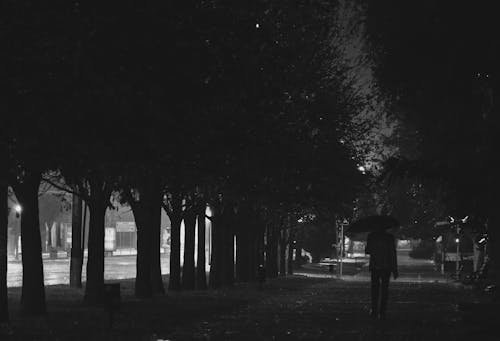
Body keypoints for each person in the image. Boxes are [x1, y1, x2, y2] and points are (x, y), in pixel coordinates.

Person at [365, 227, 398, 320]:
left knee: (374, 289)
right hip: (386, 266)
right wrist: (394, 269)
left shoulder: (371, 236)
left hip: (375, 266)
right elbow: (392, 253)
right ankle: (382, 311)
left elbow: (367, 250)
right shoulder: (389, 237)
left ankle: (374, 310)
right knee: (385, 289)